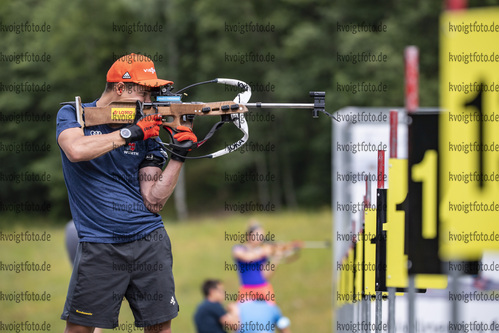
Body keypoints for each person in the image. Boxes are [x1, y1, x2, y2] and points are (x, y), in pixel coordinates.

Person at [57, 53, 196, 333]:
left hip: (149, 239)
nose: (150, 99)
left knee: (159, 328)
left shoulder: (148, 131)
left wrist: (179, 155)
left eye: (154, 92)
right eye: (145, 91)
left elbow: (154, 199)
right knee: (80, 329)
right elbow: (76, 150)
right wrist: (129, 134)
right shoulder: (73, 114)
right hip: (99, 243)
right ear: (121, 89)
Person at [231, 222, 303, 304]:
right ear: (249, 235)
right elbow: (247, 257)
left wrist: (276, 258)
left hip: (263, 290)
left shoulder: (263, 253)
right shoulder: (239, 248)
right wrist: (262, 251)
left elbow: (266, 275)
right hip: (247, 291)